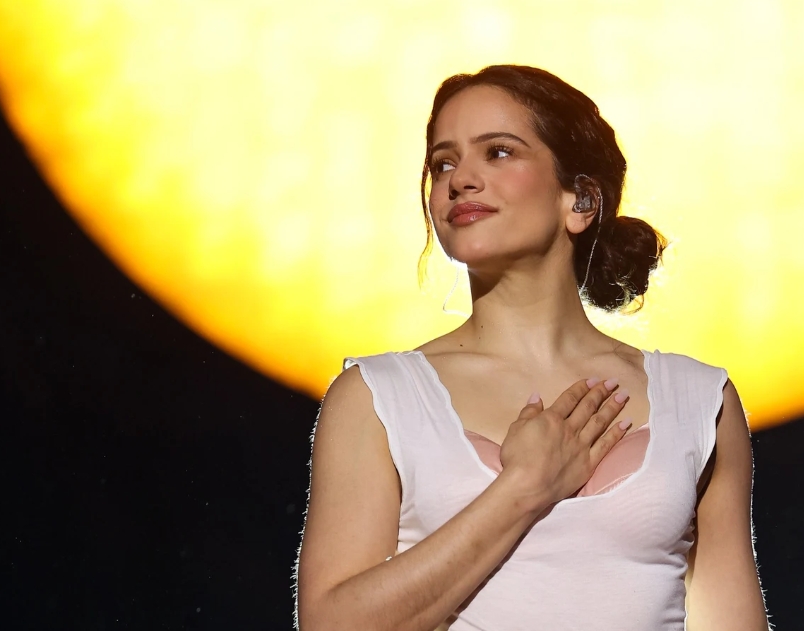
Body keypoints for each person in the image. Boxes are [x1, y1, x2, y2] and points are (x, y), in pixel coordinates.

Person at [294, 65, 770, 631]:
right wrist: (522, 488)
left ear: (580, 201)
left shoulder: (698, 400)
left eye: (498, 152)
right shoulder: (378, 398)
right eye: (443, 163)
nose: (460, 179)